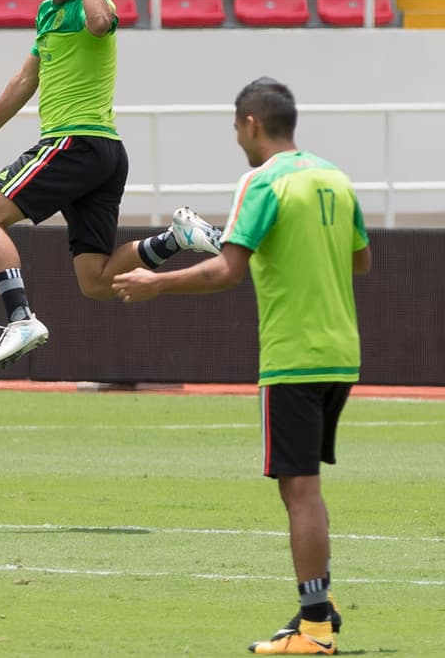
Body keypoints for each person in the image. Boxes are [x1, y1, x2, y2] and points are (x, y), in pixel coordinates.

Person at [113, 78, 370, 656]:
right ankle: (317, 609)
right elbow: (363, 260)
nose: (237, 139)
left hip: (293, 357)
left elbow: (225, 269)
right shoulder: (336, 177)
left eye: (236, 128)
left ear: (251, 124)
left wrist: (157, 283)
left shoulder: (262, 182)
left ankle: (316, 631)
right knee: (304, 487)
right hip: (341, 352)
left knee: (300, 490)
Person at [0, 0, 224, 373]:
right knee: (97, 282)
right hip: (100, 153)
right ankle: (176, 238)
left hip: (73, 142)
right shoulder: (47, 14)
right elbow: (25, 80)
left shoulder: (94, 6)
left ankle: (20, 318)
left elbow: (101, 25)